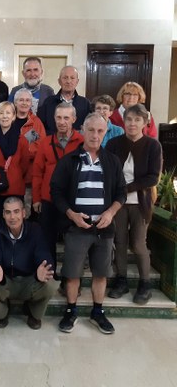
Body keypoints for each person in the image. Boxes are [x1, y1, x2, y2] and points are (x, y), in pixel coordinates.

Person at [50, 113, 126, 334]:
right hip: (77, 228)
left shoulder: (112, 161)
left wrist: (111, 213)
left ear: (105, 132)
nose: (95, 135)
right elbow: (56, 191)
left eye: (100, 131)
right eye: (91, 130)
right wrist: (72, 215)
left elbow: (121, 192)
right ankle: (71, 310)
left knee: (100, 273)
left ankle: (97, 312)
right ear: (82, 130)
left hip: (103, 229)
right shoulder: (69, 160)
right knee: (73, 273)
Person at [106, 104, 162, 304]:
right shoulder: (113, 144)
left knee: (138, 244)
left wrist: (126, 188)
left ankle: (144, 284)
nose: (132, 123)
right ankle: (121, 280)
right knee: (119, 242)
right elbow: (108, 171)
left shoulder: (153, 146)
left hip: (140, 202)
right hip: (117, 204)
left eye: (137, 120)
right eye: (129, 119)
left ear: (145, 123)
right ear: (124, 121)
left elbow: (153, 178)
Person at [0, 197, 57, 329]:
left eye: (16, 212)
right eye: (8, 212)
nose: (12, 217)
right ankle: (3, 310)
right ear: (3, 214)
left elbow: (43, 253)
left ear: (23, 213)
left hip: (30, 280)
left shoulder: (35, 230)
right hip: (7, 281)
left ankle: (33, 312)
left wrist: (43, 268)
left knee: (50, 285)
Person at [32, 102, 84, 274]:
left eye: (66, 118)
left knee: (73, 242)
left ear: (74, 119)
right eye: (59, 117)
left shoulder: (82, 142)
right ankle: (50, 274)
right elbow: (37, 172)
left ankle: (70, 277)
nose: (62, 122)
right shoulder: (45, 142)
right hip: (48, 199)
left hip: (73, 201)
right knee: (47, 240)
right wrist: (36, 198)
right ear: (54, 119)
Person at [0, 102, 29, 247]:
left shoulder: (22, 140)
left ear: (14, 116)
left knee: (15, 226)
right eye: (1, 113)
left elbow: (25, 164)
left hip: (14, 189)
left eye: (8, 113)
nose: (5, 116)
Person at [13, 88, 46, 218]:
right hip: (10, 176)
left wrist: (20, 152)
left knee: (25, 212)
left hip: (28, 176)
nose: (24, 103)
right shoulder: (9, 119)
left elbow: (38, 148)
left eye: (28, 100)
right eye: (21, 100)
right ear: (15, 102)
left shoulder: (34, 123)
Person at [38, 66, 91, 135]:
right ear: (59, 81)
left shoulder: (85, 103)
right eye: (65, 78)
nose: (68, 81)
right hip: (52, 143)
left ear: (77, 81)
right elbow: (40, 127)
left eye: (72, 78)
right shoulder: (48, 102)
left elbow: (89, 128)